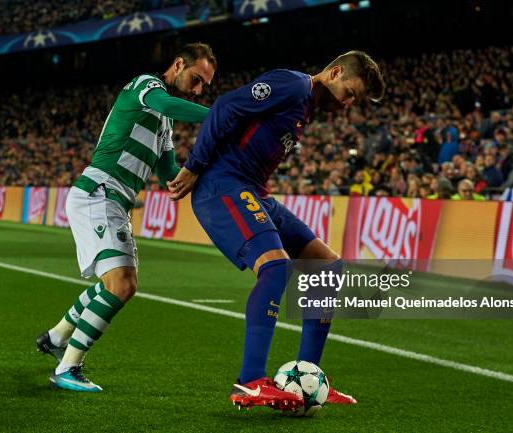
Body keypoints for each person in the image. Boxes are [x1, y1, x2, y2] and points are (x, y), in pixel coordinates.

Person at [168, 51, 385, 411]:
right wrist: (194, 166)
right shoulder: (294, 85)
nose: (348, 104)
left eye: (355, 101)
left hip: (252, 191)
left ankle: (310, 375)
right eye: (349, 93)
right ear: (333, 73)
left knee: (327, 266)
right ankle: (250, 381)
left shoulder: (306, 107)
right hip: (222, 185)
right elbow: (224, 107)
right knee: (276, 267)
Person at [36, 43, 217, 392]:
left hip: (114, 200)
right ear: (178, 63)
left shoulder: (163, 124)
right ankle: (67, 367)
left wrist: (205, 171)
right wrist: (221, 114)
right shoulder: (146, 85)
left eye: (203, 87)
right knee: (122, 284)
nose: (197, 91)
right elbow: (165, 102)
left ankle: (57, 337)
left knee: (116, 284)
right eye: (196, 79)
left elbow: (170, 173)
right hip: (100, 191)